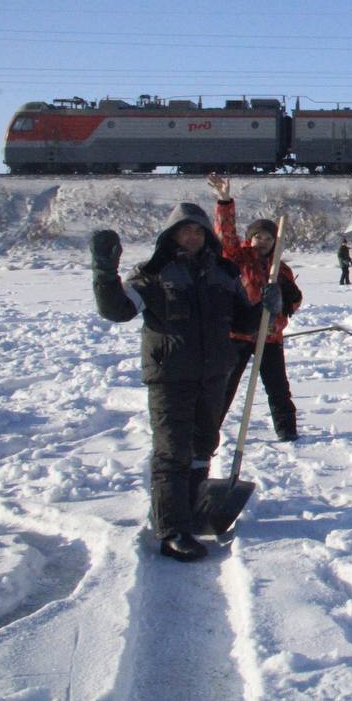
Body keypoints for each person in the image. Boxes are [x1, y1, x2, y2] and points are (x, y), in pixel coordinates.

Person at [90, 203, 279, 562]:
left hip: (213, 374)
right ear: (171, 234)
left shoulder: (223, 273)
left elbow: (242, 321)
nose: (191, 237)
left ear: (207, 235)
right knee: (172, 451)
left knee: (202, 445)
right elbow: (117, 310)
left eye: (198, 231)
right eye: (184, 230)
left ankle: (192, 510)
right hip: (170, 376)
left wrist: (265, 306)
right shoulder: (154, 272)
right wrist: (104, 271)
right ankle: (172, 529)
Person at [208, 174, 302, 442]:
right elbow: (225, 236)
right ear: (249, 239)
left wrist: (288, 297)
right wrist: (224, 201)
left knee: (278, 388)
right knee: (225, 385)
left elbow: (294, 304)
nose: (262, 242)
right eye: (257, 237)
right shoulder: (237, 258)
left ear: (276, 242)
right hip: (238, 334)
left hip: (270, 336)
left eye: (268, 238)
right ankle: (209, 428)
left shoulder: (280, 269)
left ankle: (287, 430)